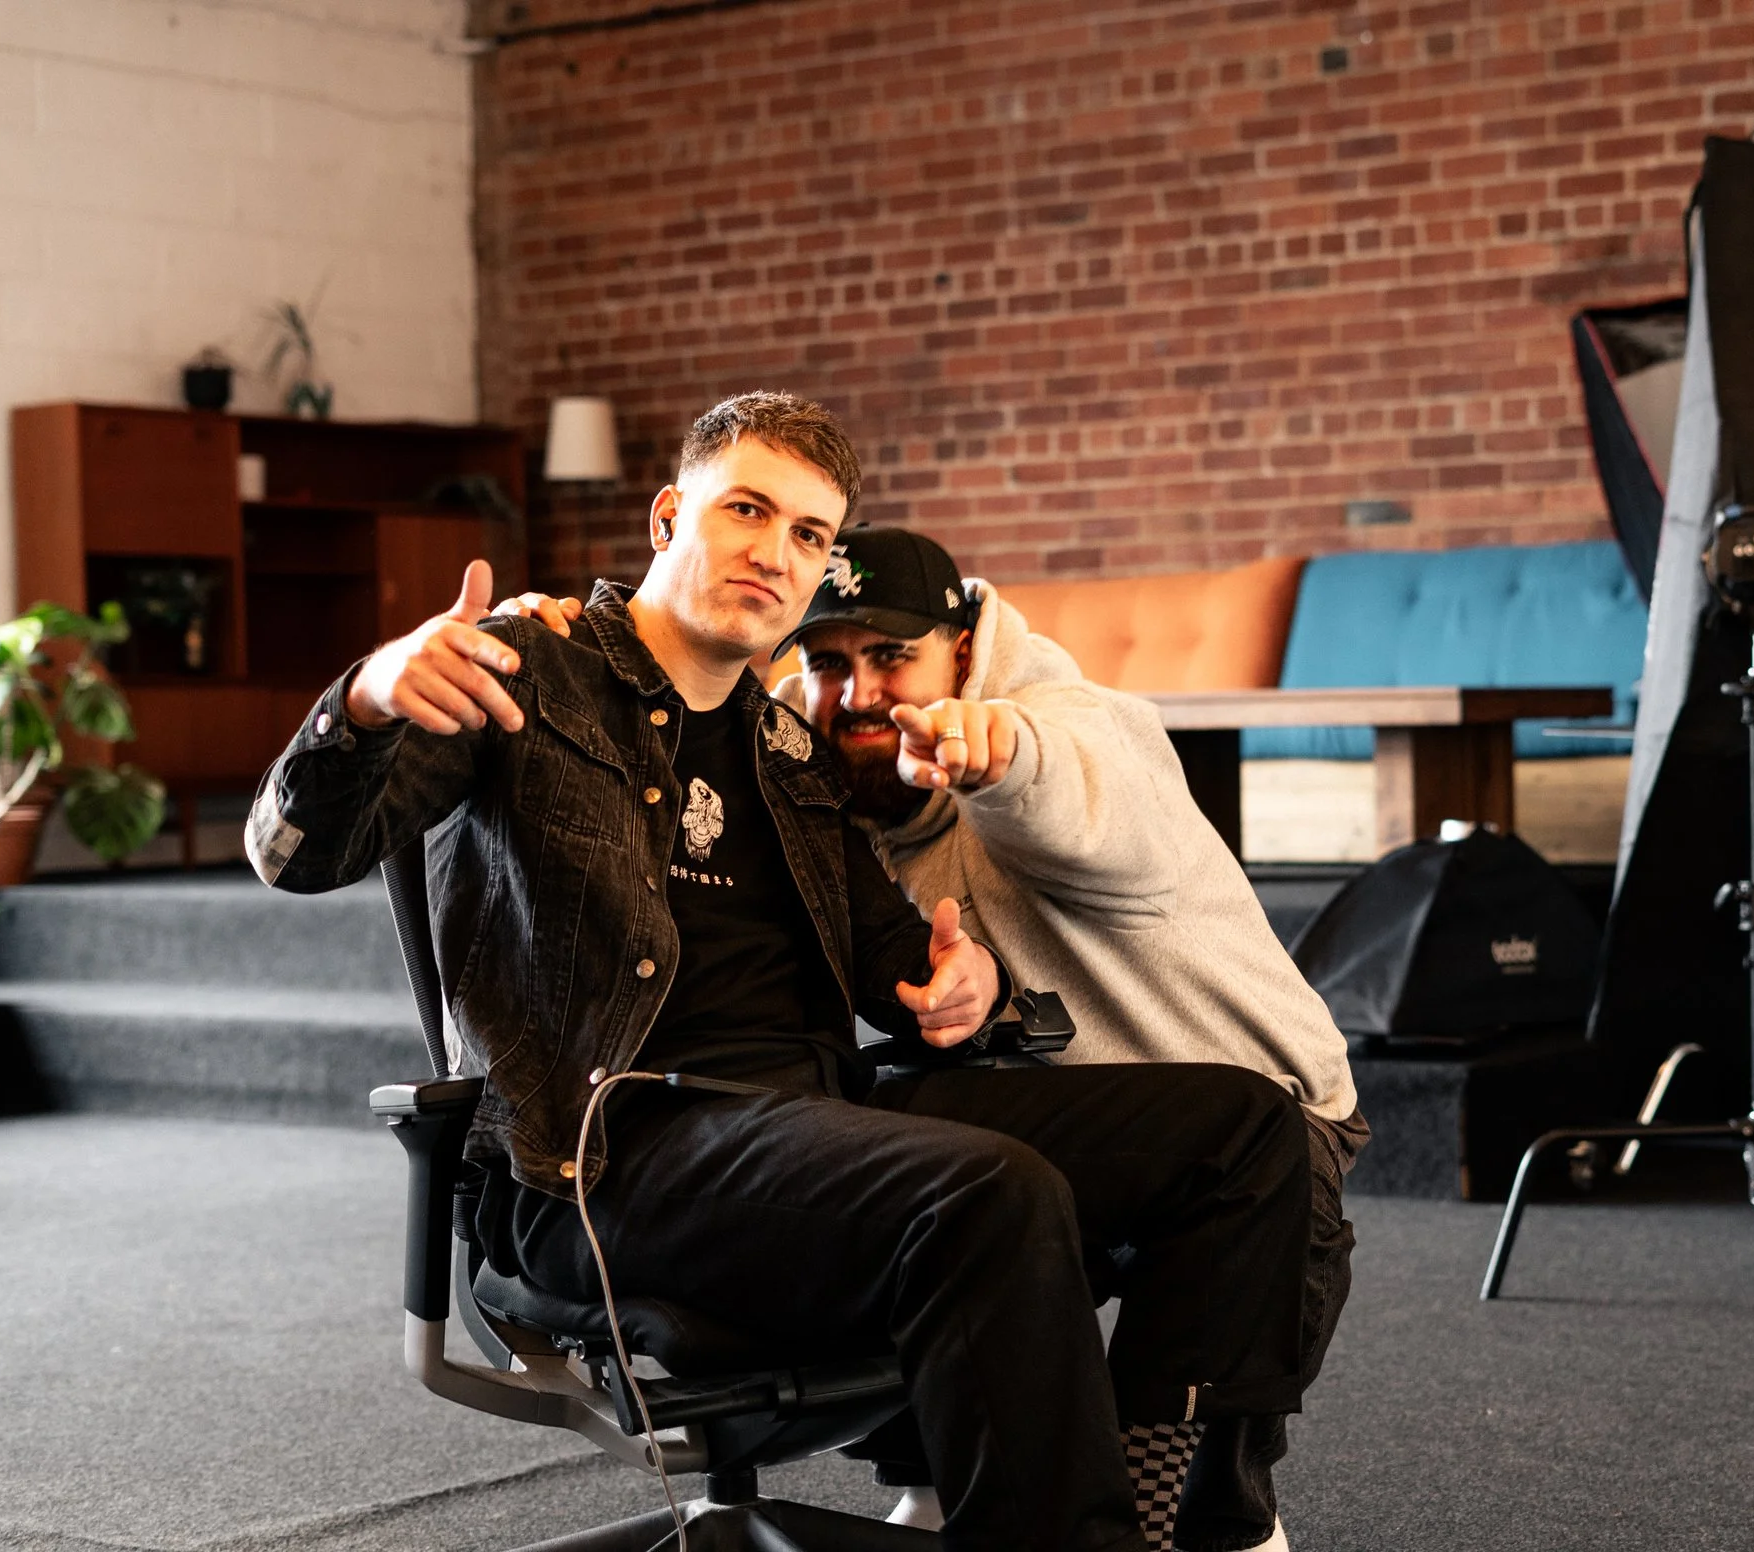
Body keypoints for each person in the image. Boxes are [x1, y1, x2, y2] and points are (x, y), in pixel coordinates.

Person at [248, 391, 1312, 1552]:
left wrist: (972, 991)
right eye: (747, 509)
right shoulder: (522, 671)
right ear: (668, 518)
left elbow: (903, 967)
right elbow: (292, 853)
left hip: (806, 1122)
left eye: (810, 533)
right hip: (610, 1154)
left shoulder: (788, 749)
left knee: (1247, 1127)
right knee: (987, 1191)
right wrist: (365, 698)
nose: (776, 551)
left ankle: (1175, 1523)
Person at [500, 524, 1363, 1552]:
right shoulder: (801, 760)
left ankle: (1184, 1505)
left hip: (1247, 1096)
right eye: (827, 663)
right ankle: (949, 1470)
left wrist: (997, 753)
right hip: (1005, 1091)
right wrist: (554, 639)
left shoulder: (1071, 725)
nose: (860, 692)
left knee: (1250, 1154)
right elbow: (679, 706)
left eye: (891, 656)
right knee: (933, 1162)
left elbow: (1082, 795)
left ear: (962, 644)